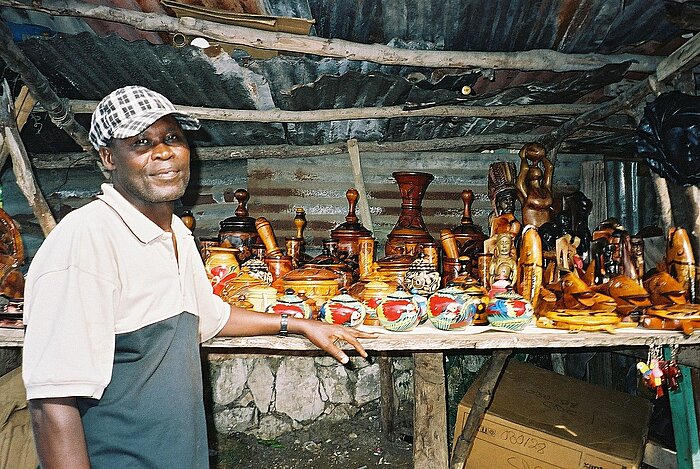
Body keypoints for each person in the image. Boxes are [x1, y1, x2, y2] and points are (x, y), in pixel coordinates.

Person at [21, 85, 376, 469]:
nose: (164, 152)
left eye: (172, 137)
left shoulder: (175, 233)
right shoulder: (86, 240)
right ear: (109, 157)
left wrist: (298, 324)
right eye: (142, 143)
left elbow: (209, 316)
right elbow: (51, 403)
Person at [515, 142, 554, 228]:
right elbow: (524, 169)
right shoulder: (526, 192)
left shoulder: (545, 189)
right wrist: (523, 158)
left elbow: (550, 167)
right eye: (532, 168)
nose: (535, 167)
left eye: (537, 167)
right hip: (532, 231)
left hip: (547, 231)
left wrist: (542, 156)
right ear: (528, 174)